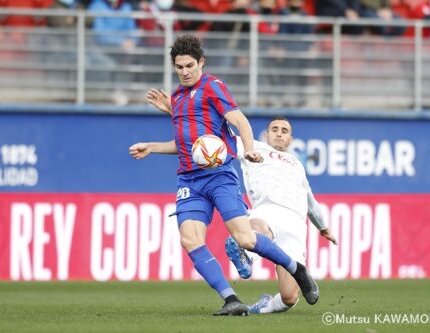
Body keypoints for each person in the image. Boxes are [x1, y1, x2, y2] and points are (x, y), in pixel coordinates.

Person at [129, 34, 320, 316]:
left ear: (201, 62)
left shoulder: (213, 86)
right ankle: (231, 299)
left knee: (244, 238)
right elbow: (188, 146)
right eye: (179, 67)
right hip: (189, 181)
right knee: (190, 239)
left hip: (219, 175)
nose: (184, 72)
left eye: (189, 66)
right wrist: (152, 147)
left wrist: (250, 149)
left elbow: (239, 120)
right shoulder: (179, 97)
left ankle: (297, 270)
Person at [226, 117, 338, 314]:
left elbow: (310, 201)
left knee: (289, 297)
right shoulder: (252, 147)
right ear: (266, 134)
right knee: (256, 229)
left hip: (295, 223)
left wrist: (323, 228)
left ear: (290, 139)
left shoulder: (296, 164)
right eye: (274, 129)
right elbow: (218, 132)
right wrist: (177, 112)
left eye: (284, 131)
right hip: (266, 209)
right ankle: (246, 256)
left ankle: (262, 308)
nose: (279, 133)